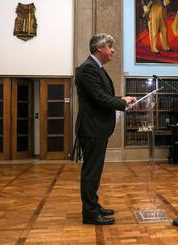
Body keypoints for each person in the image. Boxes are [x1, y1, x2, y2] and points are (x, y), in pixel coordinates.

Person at [75, 33, 136, 225]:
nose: (113, 50)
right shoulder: (88, 69)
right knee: (91, 173)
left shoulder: (96, 67)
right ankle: (90, 213)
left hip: (97, 128)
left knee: (95, 172)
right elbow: (100, 98)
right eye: (110, 47)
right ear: (99, 48)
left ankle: (94, 205)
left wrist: (121, 99)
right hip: (92, 129)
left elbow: (101, 95)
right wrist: (121, 102)